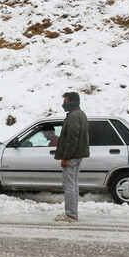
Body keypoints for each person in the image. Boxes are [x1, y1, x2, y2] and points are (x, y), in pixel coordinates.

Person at [54, 92, 89, 222]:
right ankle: (73, 213)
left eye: (65, 101)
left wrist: (66, 157)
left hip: (72, 156)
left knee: (69, 185)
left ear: (73, 102)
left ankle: (70, 215)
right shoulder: (80, 114)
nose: (64, 104)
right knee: (73, 184)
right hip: (77, 155)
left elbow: (72, 138)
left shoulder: (74, 116)